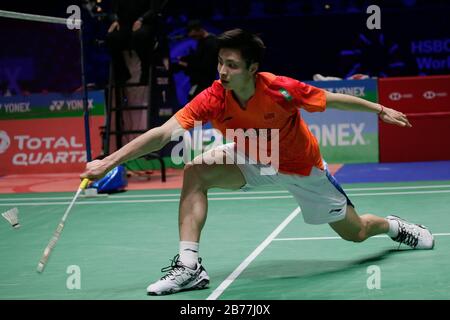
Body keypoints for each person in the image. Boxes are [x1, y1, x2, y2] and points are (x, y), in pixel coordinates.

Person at [81, 29, 434, 296]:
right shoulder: (213, 97)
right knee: (195, 172)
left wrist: (380, 109)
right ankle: (190, 266)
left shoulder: (280, 89)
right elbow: (163, 133)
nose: (222, 71)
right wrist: (108, 161)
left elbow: (333, 99)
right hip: (253, 157)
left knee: (356, 234)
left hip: (302, 169)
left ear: (252, 68)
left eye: (232, 65)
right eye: (220, 63)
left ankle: (392, 227)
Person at [106, 0, 167, 85]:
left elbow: (154, 9)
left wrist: (141, 19)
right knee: (111, 37)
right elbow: (112, 10)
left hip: (145, 23)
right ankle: (123, 72)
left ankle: (145, 69)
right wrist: (115, 20)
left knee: (139, 35)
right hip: (125, 25)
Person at [176, 20, 219, 101]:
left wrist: (187, 65)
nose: (194, 38)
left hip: (205, 83)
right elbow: (198, 57)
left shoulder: (211, 43)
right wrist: (183, 58)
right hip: (199, 82)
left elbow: (207, 65)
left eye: (194, 36)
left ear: (199, 30)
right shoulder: (201, 41)